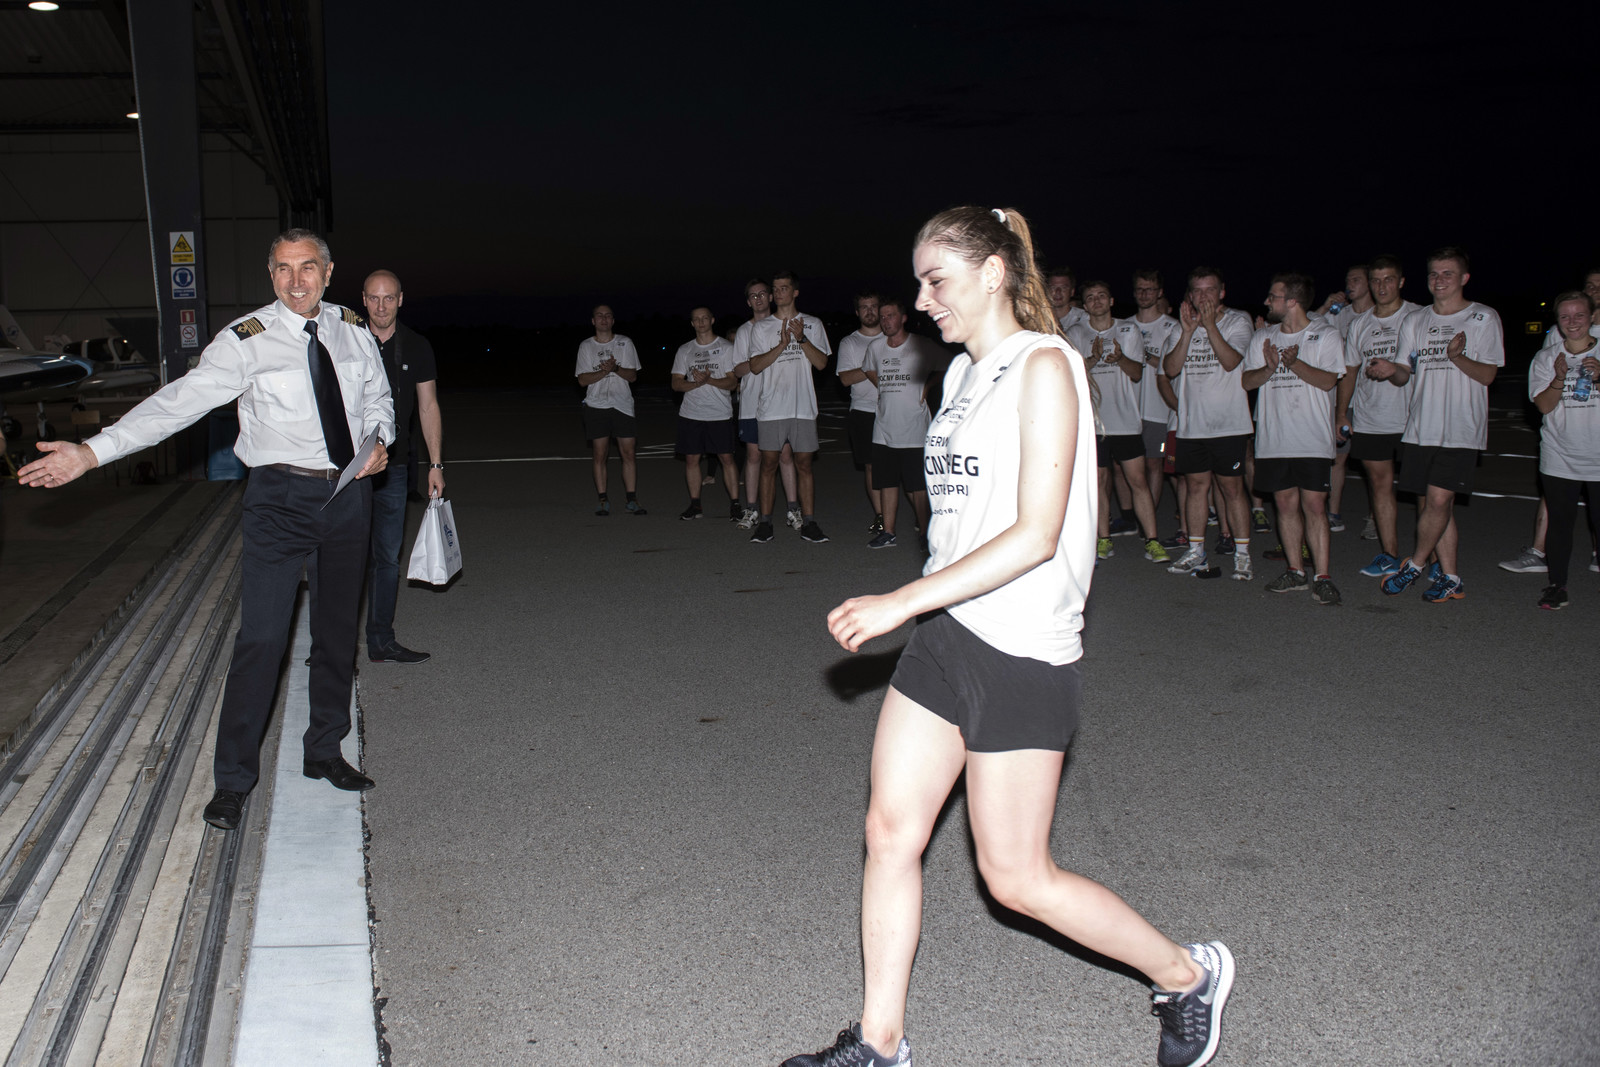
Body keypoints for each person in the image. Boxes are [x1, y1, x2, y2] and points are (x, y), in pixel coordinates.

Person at [784, 206, 1232, 1067]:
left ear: (993, 273)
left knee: (1017, 877)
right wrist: (925, 604)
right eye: (919, 282)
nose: (921, 300)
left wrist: (901, 599)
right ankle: (880, 1043)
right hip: (947, 636)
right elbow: (961, 515)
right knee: (890, 831)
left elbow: (1035, 533)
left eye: (935, 280)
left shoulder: (1046, 366)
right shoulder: (959, 375)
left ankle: (1187, 974)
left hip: (1021, 643)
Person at [18, 229, 393, 831]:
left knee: (334, 634)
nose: (296, 281)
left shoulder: (352, 329)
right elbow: (178, 403)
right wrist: (91, 453)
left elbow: (378, 395)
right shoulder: (246, 340)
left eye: (307, 268)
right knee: (261, 641)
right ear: (270, 275)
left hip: (349, 494)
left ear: (328, 272)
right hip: (279, 499)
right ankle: (234, 782)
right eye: (283, 269)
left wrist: (379, 439)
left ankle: (324, 749)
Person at [1378, 247, 1504, 602]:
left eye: (1448, 273)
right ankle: (1451, 577)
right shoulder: (1415, 320)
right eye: (1434, 273)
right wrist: (1391, 370)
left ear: (1464, 278)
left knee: (1437, 499)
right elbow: (1404, 374)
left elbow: (1488, 375)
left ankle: (1415, 565)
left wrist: (1457, 357)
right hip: (1421, 427)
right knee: (1437, 505)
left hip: (1461, 428)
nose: (1439, 279)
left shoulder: (1482, 317)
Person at [1241, 274, 1344, 605]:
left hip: (1311, 438)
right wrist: (1269, 368)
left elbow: (1328, 381)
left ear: (1292, 302)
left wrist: (1294, 363)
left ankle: (1322, 577)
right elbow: (1247, 382)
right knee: (1285, 505)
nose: (1267, 302)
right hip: (1274, 438)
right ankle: (1296, 571)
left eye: (1273, 297)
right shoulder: (1263, 337)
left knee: (1314, 506)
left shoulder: (1325, 335)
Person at [361, 270, 443, 664]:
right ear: (364, 299)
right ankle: (329, 647)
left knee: (386, 558)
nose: (381, 306)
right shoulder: (346, 339)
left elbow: (428, 406)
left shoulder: (416, 345)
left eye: (389, 298)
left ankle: (381, 640)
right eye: (374, 298)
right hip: (346, 469)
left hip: (392, 469)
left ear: (401, 299)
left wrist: (436, 464)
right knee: (338, 555)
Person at [1162, 267, 1257, 580]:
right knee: (1195, 488)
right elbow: (1170, 369)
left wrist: (1210, 325)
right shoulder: (1181, 325)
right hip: (1192, 425)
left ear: (1222, 292)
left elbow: (1231, 362)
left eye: (1210, 290)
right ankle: (1196, 551)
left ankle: (1242, 554)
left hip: (1229, 424)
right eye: (1197, 290)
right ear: (1189, 294)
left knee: (1232, 489)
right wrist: (1188, 332)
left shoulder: (1238, 320)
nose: (1203, 296)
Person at [1066, 281, 1166, 562]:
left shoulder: (1128, 330)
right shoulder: (1076, 332)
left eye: (1101, 296)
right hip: (1093, 423)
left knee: (1138, 480)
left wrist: (1120, 358)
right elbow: (1072, 373)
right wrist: (1093, 358)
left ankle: (1152, 540)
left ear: (1111, 301)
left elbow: (1136, 373)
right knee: (1099, 481)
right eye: (1090, 297)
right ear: (1084, 306)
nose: (1096, 301)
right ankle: (1104, 539)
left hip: (1125, 422)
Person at [1336, 254, 1419, 577]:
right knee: (1380, 485)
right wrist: (1342, 413)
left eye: (1388, 279)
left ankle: (1431, 559)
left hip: (1414, 417)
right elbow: (1349, 372)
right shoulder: (1360, 324)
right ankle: (1389, 554)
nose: (1382, 286)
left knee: (1424, 491)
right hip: (1372, 417)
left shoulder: (1418, 316)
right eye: (1376, 280)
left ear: (1401, 282)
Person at [745, 270, 832, 544]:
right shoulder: (761, 328)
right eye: (775, 288)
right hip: (771, 408)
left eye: (784, 288)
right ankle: (765, 524)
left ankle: (809, 523)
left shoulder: (813, 323)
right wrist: (782, 345)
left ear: (795, 292)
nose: (778, 292)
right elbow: (755, 366)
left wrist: (801, 339)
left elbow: (822, 363)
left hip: (803, 407)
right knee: (768, 464)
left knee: (804, 464)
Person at [1527, 291, 1600, 610]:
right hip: (1560, 455)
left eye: (1579, 315)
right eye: (1565, 316)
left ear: (1592, 316)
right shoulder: (1546, 357)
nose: (1573, 322)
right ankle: (1557, 585)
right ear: (1557, 321)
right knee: (1560, 523)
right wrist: (1558, 378)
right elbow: (1543, 406)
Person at [860, 297, 942, 549]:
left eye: (891, 315)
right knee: (887, 482)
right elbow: (868, 369)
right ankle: (888, 532)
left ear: (903, 318)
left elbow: (948, 364)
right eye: (883, 317)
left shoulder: (920, 345)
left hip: (914, 427)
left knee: (917, 485)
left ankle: (925, 532)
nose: (885, 321)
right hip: (884, 427)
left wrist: (926, 387)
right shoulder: (875, 347)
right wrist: (882, 386)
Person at [732, 278, 800, 529]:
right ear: (748, 302)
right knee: (754, 455)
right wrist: (761, 359)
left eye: (762, 293)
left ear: (771, 297)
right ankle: (751, 509)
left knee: (785, 454)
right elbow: (738, 370)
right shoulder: (744, 331)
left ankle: (793, 509)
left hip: (781, 402)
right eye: (753, 295)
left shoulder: (784, 324)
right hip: (752, 402)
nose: (758, 298)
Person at [1315, 265, 1373, 532]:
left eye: (1357, 279)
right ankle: (1334, 512)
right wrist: (1326, 306)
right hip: (1344, 398)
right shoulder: (1340, 314)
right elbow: (1307, 326)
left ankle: (1374, 518)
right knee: (1338, 457)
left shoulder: (1379, 315)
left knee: (1374, 462)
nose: (1350, 284)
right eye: (1348, 279)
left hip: (1374, 399)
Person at [670, 306, 741, 519]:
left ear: (712, 320)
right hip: (691, 413)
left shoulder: (726, 347)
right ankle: (695, 506)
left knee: (726, 458)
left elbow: (732, 383)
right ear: (692, 323)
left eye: (705, 318)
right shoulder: (685, 350)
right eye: (696, 319)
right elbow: (676, 383)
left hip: (719, 413)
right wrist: (696, 383)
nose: (701, 322)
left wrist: (709, 380)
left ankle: (735, 505)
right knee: (692, 460)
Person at [574, 305, 645, 515]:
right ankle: (603, 499)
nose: (604, 319)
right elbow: (582, 379)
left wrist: (615, 368)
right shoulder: (586, 346)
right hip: (596, 405)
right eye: (599, 316)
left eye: (608, 316)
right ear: (593, 321)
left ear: (613, 320)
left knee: (628, 453)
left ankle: (631, 499)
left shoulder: (625, 343)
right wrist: (605, 371)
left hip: (622, 404)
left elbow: (632, 376)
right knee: (600, 454)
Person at [1132, 269, 1185, 546]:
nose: (1144, 294)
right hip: (1129, 407)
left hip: (1158, 407)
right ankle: (1132, 515)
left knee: (1154, 464)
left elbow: (1172, 367)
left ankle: (1147, 520)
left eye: (1150, 289)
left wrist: (1145, 356)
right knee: (1126, 467)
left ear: (1160, 292)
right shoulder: (1125, 325)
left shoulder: (1173, 327)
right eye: (1140, 289)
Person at [836, 292, 885, 534]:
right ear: (857, 312)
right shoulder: (850, 343)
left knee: (903, 465)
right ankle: (881, 516)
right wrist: (869, 366)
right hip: (864, 411)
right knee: (871, 467)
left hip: (896, 410)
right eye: (864, 307)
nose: (869, 311)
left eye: (873, 306)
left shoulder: (894, 337)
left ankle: (919, 516)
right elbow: (845, 378)